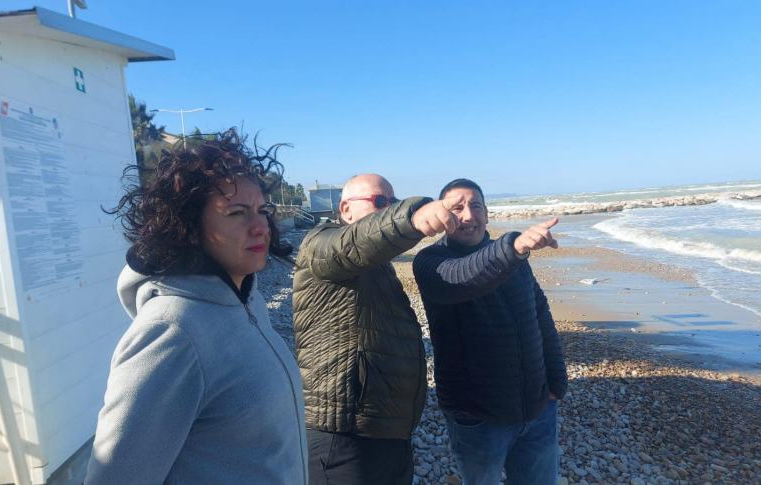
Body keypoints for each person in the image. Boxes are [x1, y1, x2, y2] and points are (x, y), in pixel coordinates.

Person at [86, 130, 307, 484]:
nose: (260, 227)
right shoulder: (172, 331)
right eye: (237, 213)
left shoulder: (249, 302)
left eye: (262, 210)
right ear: (189, 227)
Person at [293, 173, 461, 484]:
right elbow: (355, 242)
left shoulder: (378, 268)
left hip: (389, 433)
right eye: (380, 202)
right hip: (343, 436)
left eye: (393, 202)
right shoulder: (320, 245)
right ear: (345, 210)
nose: (388, 209)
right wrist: (411, 214)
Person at [412, 178, 568, 485]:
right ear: (443, 217)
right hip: (478, 417)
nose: (468, 215)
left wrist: (556, 385)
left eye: (476, 206)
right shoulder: (430, 262)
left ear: (487, 214)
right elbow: (463, 277)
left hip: (537, 409)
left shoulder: (512, 257)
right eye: (457, 208)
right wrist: (515, 246)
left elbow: (540, 315)